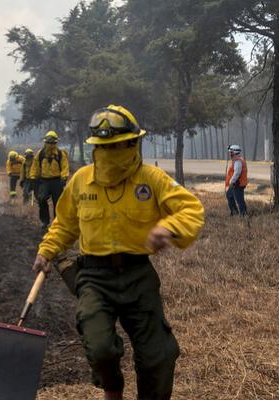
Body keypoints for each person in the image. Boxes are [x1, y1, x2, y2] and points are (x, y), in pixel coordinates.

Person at [31, 105, 205, 400]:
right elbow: (64, 224)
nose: (110, 154)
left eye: (117, 146)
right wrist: (46, 251)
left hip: (138, 275)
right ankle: (113, 389)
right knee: (100, 349)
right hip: (94, 277)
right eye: (104, 147)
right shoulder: (81, 181)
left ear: (132, 144)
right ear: (96, 148)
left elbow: (192, 209)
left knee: (158, 356)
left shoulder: (151, 179)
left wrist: (169, 227)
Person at [29, 131, 69, 229]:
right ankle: (45, 221)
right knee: (41, 199)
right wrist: (33, 178)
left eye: (52, 142)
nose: (50, 144)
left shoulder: (60, 154)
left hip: (57, 181)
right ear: (45, 142)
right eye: (48, 142)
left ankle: (57, 223)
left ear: (55, 142)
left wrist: (64, 178)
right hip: (44, 181)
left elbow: (65, 167)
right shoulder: (40, 154)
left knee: (58, 202)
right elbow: (35, 167)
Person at [225, 144, 248, 216]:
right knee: (229, 194)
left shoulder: (238, 161)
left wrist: (231, 181)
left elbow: (237, 173)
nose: (230, 154)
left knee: (239, 200)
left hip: (238, 184)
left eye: (230, 152)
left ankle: (243, 215)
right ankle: (234, 212)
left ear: (234, 152)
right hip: (236, 183)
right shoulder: (237, 160)